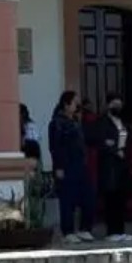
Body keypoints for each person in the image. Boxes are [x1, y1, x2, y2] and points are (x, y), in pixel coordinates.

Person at [49, 90, 95, 244]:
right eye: (75, 103)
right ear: (66, 104)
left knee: (87, 197)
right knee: (67, 199)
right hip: (67, 165)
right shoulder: (57, 123)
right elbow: (56, 146)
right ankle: (67, 231)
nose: (78, 106)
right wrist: (59, 167)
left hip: (80, 164)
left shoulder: (75, 121)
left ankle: (84, 229)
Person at [91, 94, 132, 242]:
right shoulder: (102, 122)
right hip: (109, 165)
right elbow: (102, 141)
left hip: (122, 165)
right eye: (115, 104)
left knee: (121, 198)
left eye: (119, 104)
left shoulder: (122, 122)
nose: (118, 107)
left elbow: (127, 139)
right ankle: (111, 232)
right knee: (111, 198)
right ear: (109, 105)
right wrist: (115, 149)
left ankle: (120, 231)